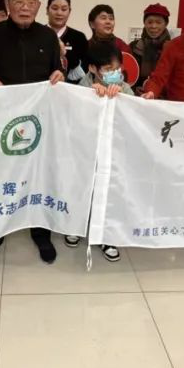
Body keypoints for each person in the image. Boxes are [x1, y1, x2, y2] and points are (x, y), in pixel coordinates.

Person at [0, 0, 65, 270]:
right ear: (8, 4)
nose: (25, 7)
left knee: (39, 175)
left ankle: (40, 231)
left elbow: (56, 71)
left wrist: (59, 75)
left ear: (39, 5)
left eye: (31, 2)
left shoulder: (47, 36)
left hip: (38, 121)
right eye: (19, 1)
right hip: (0, 122)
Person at [64, 41, 131, 261]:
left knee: (110, 192)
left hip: (114, 152)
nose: (114, 73)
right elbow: (72, 116)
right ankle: (76, 226)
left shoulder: (124, 87)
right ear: (93, 68)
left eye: (117, 69)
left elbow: (135, 115)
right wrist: (90, 97)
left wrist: (121, 97)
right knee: (82, 188)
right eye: (108, 69)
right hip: (86, 151)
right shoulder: (82, 87)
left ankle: (106, 236)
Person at [46, 0, 89, 83]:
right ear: (47, 10)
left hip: (71, 88)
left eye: (64, 9)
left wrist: (64, 54)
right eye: (55, 8)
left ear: (69, 11)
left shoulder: (79, 37)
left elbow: (85, 71)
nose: (59, 13)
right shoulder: (38, 33)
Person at [130, 3, 171, 92]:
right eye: (150, 22)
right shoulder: (133, 47)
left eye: (158, 22)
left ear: (166, 24)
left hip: (164, 97)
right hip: (138, 96)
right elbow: (129, 77)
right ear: (144, 23)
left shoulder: (172, 48)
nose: (153, 26)